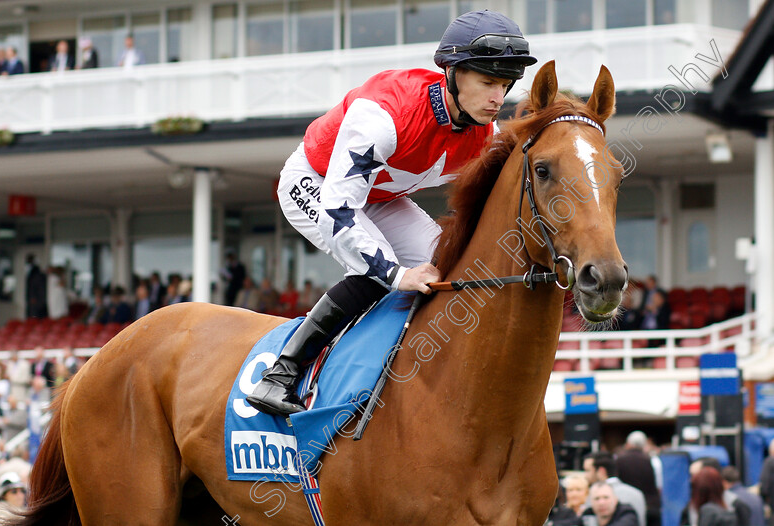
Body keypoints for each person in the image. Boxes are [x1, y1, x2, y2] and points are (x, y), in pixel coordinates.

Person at [246, 9, 537, 416]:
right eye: (488, 82)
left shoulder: (478, 134)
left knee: (445, 268)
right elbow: (340, 209)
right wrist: (398, 275)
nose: (498, 98)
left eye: (505, 85)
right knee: (378, 271)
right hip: (316, 183)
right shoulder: (384, 114)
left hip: (378, 198)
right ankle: (281, 373)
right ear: (451, 73)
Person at [584, 452, 647, 526]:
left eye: (588, 470)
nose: (585, 476)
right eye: (597, 499)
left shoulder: (593, 494)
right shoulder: (637, 493)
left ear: (601, 471)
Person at [617, 431, 661, 526]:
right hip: (651, 505)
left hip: (628, 506)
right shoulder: (653, 460)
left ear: (628, 444)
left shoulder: (619, 460)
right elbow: (659, 484)